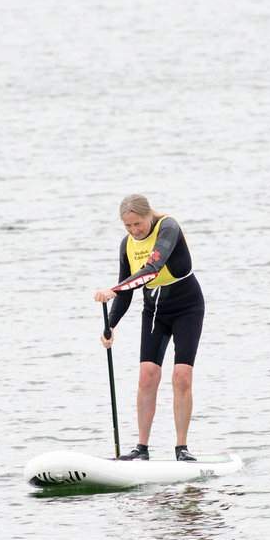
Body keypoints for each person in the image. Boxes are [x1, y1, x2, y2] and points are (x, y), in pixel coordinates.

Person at [94, 194, 204, 461]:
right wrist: (110, 327)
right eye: (128, 226)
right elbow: (126, 293)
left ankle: (181, 449)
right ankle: (141, 449)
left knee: (181, 377)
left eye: (138, 224)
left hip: (187, 308)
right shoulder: (127, 245)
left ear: (148, 215)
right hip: (154, 311)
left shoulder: (168, 227)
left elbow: (152, 269)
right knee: (147, 377)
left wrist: (113, 289)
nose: (134, 230)